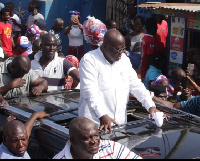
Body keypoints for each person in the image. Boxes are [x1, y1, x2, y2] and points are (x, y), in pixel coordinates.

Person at [78, 29, 169, 133]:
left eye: (123, 49)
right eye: (118, 49)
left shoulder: (124, 60)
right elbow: (90, 92)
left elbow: (135, 85)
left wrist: (150, 106)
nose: (122, 52)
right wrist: (102, 114)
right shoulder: (89, 60)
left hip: (119, 126)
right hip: (95, 126)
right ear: (106, 46)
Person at [53, 117, 142, 159]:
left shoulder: (111, 148)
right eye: (87, 138)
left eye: (96, 136)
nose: (93, 141)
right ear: (73, 140)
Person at [140, 17, 158, 81]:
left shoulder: (144, 37)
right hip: (147, 72)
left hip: (143, 69)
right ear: (154, 28)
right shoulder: (150, 40)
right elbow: (150, 57)